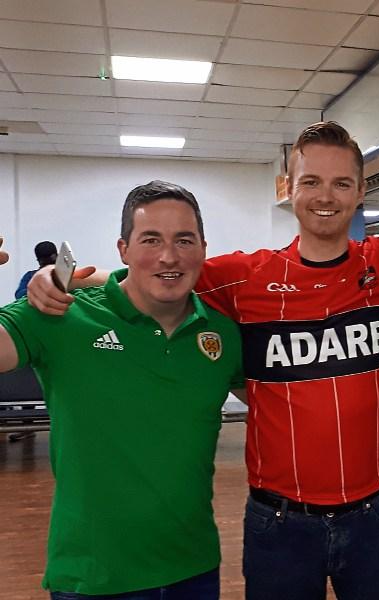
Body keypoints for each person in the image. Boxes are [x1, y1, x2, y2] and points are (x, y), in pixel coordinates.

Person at [25, 122, 379, 600]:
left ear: (361, 191)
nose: (326, 195)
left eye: (342, 182)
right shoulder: (242, 277)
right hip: (278, 522)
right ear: (288, 189)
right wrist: (60, 279)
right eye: (312, 181)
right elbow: (159, 275)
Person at [0, 181, 243, 599]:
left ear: (203, 247)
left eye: (184, 240)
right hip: (94, 579)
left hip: (196, 570)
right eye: (151, 239)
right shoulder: (60, 314)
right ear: (123, 248)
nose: (169, 256)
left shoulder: (223, 334)